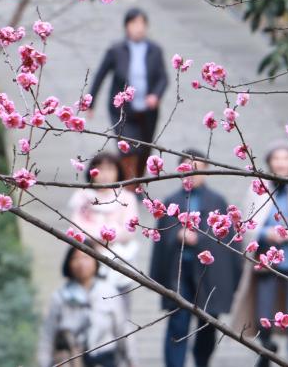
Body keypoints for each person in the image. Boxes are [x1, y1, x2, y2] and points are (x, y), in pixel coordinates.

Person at [231, 142, 288, 367]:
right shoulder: (258, 189)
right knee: (264, 314)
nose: (281, 163)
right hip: (265, 265)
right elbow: (247, 225)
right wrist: (265, 233)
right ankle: (266, 350)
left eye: (286, 158)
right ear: (269, 162)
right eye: (277, 158)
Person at [149, 150, 242, 367]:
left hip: (210, 275)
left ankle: (202, 362)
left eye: (198, 169)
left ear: (207, 172)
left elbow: (228, 243)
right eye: (187, 169)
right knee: (178, 324)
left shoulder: (218, 200)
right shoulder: (171, 201)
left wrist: (199, 240)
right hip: (178, 272)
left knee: (208, 324)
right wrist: (177, 234)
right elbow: (160, 243)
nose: (192, 174)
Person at [89, 8, 168, 183]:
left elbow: (163, 78)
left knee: (145, 148)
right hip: (122, 110)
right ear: (126, 26)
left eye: (142, 24)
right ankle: (128, 183)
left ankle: (138, 182)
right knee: (129, 148)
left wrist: (156, 95)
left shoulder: (155, 50)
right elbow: (100, 75)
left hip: (148, 110)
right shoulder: (116, 50)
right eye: (134, 23)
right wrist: (90, 102)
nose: (138, 28)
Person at [38, 246, 130, 367]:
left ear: (96, 262)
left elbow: (123, 331)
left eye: (86, 257)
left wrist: (132, 362)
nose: (81, 263)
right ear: (69, 263)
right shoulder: (59, 297)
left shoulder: (110, 293)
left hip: (105, 359)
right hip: (71, 360)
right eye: (75, 258)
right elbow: (48, 335)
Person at [67, 152, 141, 301]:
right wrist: (108, 231)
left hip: (120, 262)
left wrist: (97, 232)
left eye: (110, 169)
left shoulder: (126, 198)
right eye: (100, 169)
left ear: (118, 172)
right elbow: (76, 228)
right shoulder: (82, 197)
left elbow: (129, 230)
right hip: (89, 261)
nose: (105, 174)